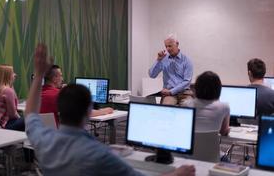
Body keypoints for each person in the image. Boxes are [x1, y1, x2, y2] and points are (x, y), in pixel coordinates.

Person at [25, 43, 195, 176]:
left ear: (60, 108)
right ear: (87, 111)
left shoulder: (44, 141)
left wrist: (39, 75)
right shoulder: (98, 154)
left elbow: (30, 115)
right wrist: (178, 173)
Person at [40, 65, 114, 124]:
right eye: (61, 76)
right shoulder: (59, 95)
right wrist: (104, 111)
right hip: (58, 137)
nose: (62, 79)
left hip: (38, 137)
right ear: (54, 79)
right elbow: (83, 113)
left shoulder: (37, 95)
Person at [149, 36, 193, 105]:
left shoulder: (187, 60)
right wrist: (158, 60)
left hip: (184, 93)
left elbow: (187, 81)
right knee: (167, 108)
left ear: (177, 44)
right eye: (166, 46)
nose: (167, 49)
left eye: (170, 46)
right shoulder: (163, 59)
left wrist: (172, 91)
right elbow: (152, 75)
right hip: (169, 94)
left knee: (189, 105)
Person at [184, 71, 230, 136]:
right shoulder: (225, 107)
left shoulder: (187, 104)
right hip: (212, 146)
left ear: (197, 88)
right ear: (218, 89)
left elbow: (185, 129)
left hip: (192, 146)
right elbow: (223, 132)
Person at [0, 64, 24, 131]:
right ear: (7, 76)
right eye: (12, 73)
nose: (15, 74)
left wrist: (11, 84)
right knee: (27, 120)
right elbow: (13, 114)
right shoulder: (8, 91)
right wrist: (21, 119)